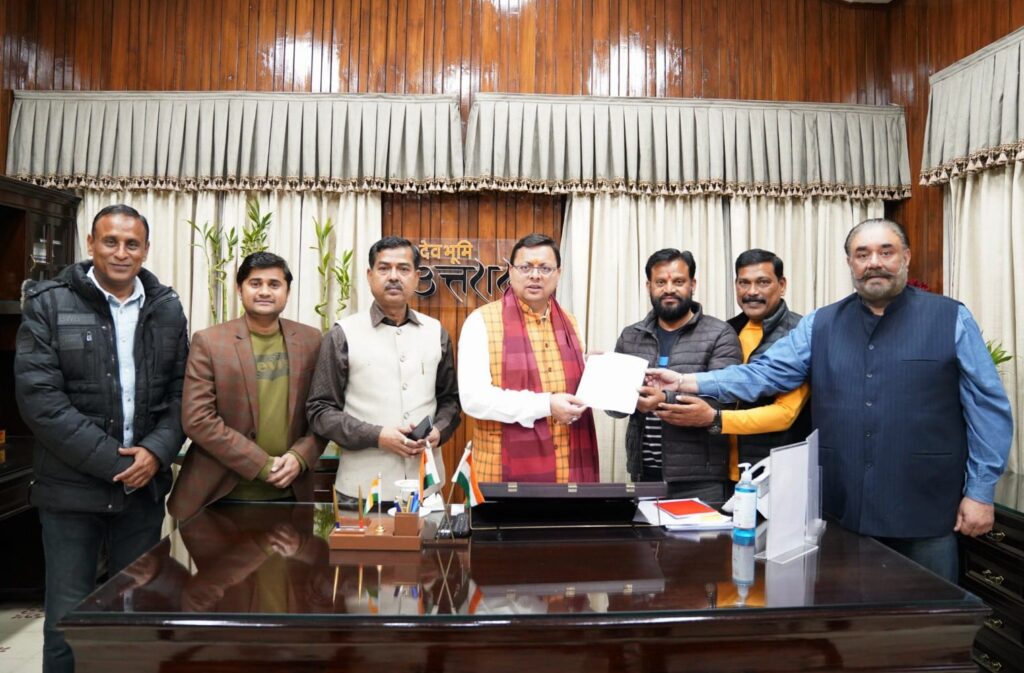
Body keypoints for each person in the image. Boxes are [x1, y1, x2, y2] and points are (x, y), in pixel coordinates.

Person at [657, 219, 1012, 581]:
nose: (874, 262)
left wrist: (980, 492)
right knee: (845, 612)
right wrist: (687, 381)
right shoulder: (820, 324)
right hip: (843, 510)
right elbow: (763, 374)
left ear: (905, 257)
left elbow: (987, 409)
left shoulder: (951, 318)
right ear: (850, 263)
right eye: (862, 254)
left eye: (886, 252)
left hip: (926, 508)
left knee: (932, 613)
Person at [14, 204, 189, 673]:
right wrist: (119, 462)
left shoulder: (166, 308)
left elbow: (181, 394)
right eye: (110, 241)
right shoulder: (49, 304)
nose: (121, 252)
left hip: (142, 492)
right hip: (71, 491)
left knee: (136, 614)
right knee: (68, 619)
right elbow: (40, 402)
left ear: (146, 250)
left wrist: (156, 452)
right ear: (90, 244)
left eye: (132, 244)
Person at [168, 252, 326, 522]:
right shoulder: (209, 341)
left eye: (274, 284)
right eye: (255, 283)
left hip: (291, 492)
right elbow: (198, 419)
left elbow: (323, 411)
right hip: (219, 495)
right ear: (239, 289)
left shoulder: (311, 340)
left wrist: (300, 456)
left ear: (287, 292)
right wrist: (262, 465)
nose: (264, 291)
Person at [306, 236, 460, 503]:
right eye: (384, 268)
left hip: (426, 487)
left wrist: (439, 430)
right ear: (370, 275)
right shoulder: (342, 334)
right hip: (361, 492)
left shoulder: (436, 332)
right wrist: (377, 436)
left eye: (403, 269)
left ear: (417, 277)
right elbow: (320, 411)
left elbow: (450, 400)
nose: (394, 277)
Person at [656, 249, 811, 478]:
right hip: (719, 471)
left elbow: (785, 414)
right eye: (744, 283)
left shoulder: (798, 335)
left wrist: (715, 419)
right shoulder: (725, 331)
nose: (752, 292)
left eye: (763, 282)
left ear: (782, 285)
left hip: (774, 471)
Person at [458, 233, 598, 483]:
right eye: (525, 267)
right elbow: (473, 399)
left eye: (545, 268)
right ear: (511, 271)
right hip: (502, 471)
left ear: (558, 273)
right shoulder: (481, 322)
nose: (535, 275)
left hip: (568, 468)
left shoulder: (570, 322)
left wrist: (591, 367)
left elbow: (567, 382)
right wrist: (546, 405)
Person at [610, 248, 741, 501]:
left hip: (700, 479)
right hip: (645, 474)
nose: (669, 289)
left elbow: (724, 401)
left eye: (678, 281)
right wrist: (603, 377)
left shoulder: (720, 334)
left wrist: (663, 399)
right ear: (648, 286)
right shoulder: (631, 335)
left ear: (693, 284)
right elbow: (615, 409)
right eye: (660, 282)